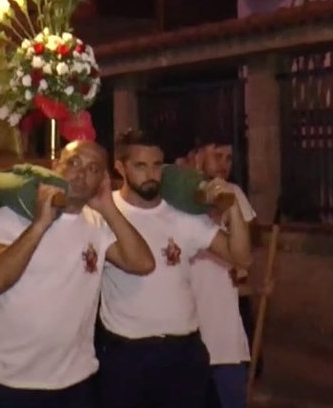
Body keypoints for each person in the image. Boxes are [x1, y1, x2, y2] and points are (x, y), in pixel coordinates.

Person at [0, 141, 154, 408]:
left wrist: (108, 207)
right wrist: (40, 224)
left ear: (102, 180)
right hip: (11, 378)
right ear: (55, 166)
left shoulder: (96, 224)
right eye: (73, 162)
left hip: (75, 379)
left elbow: (142, 263)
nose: (80, 173)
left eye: (92, 168)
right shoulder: (13, 215)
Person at [99, 129, 253, 408]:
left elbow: (241, 258)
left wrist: (232, 208)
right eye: (140, 165)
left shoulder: (181, 216)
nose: (151, 174)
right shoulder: (103, 214)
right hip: (128, 355)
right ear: (120, 167)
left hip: (183, 352)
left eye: (157, 165)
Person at [185, 139, 262, 408]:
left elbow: (249, 245)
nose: (224, 165)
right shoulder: (175, 199)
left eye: (229, 158)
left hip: (225, 333)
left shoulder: (233, 193)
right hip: (187, 331)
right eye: (217, 156)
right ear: (196, 157)